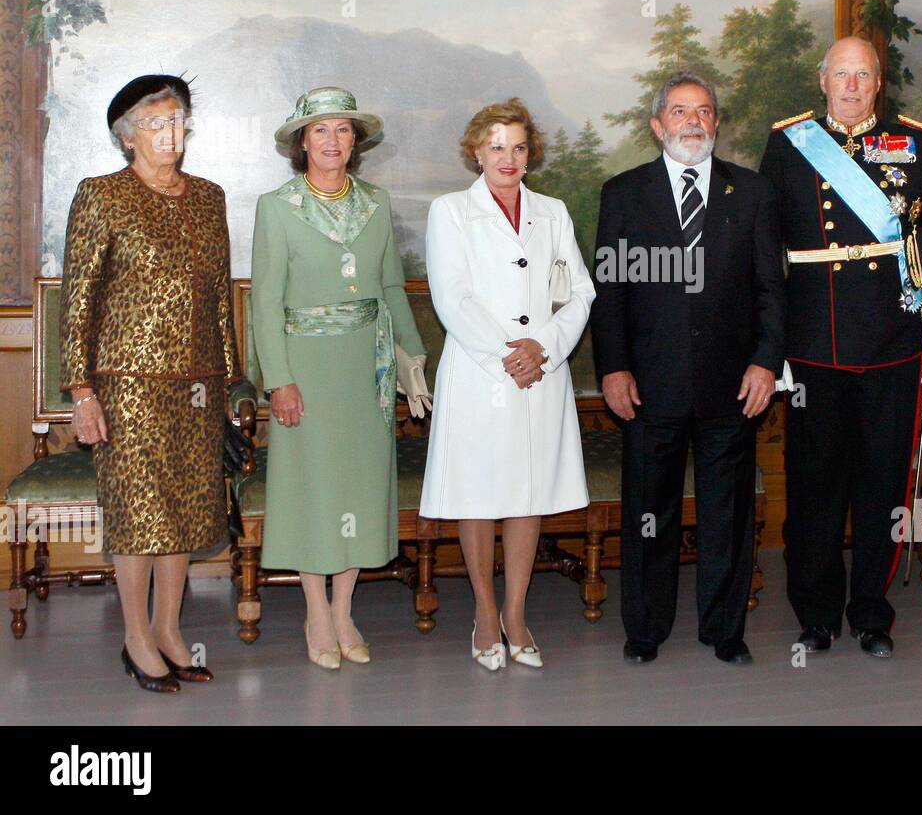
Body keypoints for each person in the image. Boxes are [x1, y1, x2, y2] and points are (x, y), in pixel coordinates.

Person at [758, 36, 922, 658]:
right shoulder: (789, 142)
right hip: (813, 348)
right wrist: (773, 352)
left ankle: (872, 612)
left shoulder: (916, 142)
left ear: (879, 82)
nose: (851, 85)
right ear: (822, 80)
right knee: (814, 488)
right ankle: (817, 613)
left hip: (892, 345)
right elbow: (765, 257)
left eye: (863, 75)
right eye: (841, 74)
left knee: (883, 489)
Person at [62, 74, 250, 692]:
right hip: (127, 383)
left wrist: (227, 384)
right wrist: (81, 390)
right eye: (155, 122)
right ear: (127, 136)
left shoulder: (208, 197)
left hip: (198, 383)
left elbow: (221, 299)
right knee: (140, 512)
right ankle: (135, 637)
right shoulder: (100, 195)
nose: (170, 133)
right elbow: (79, 302)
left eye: (178, 120)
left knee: (189, 511)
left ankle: (170, 629)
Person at [591, 72, 784, 665]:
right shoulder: (623, 193)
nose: (692, 122)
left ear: (716, 124)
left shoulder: (751, 192)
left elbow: (771, 291)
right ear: (658, 125)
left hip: (733, 385)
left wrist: (765, 363)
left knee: (727, 512)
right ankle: (645, 629)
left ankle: (725, 632)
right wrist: (614, 368)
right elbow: (610, 289)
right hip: (650, 384)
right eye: (679, 111)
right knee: (651, 511)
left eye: (703, 111)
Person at [251, 86, 429, 669]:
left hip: (366, 370)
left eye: (343, 130)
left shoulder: (377, 203)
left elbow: (390, 288)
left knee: (355, 484)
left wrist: (413, 358)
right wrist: (279, 379)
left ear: (356, 143)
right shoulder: (276, 207)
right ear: (302, 142)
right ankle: (315, 612)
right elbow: (265, 303)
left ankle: (346, 608)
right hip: (305, 367)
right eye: (320, 130)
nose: (333, 140)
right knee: (313, 488)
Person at [420, 98, 594, 671]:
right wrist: (506, 355)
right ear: (477, 152)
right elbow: (452, 297)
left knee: (526, 492)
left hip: (541, 372)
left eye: (518, 146)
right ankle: (486, 614)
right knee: (479, 493)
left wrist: (541, 347)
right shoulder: (450, 212)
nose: (508, 157)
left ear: (530, 153)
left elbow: (578, 293)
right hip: (479, 374)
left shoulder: (554, 211)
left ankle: (517, 615)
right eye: (496, 146)